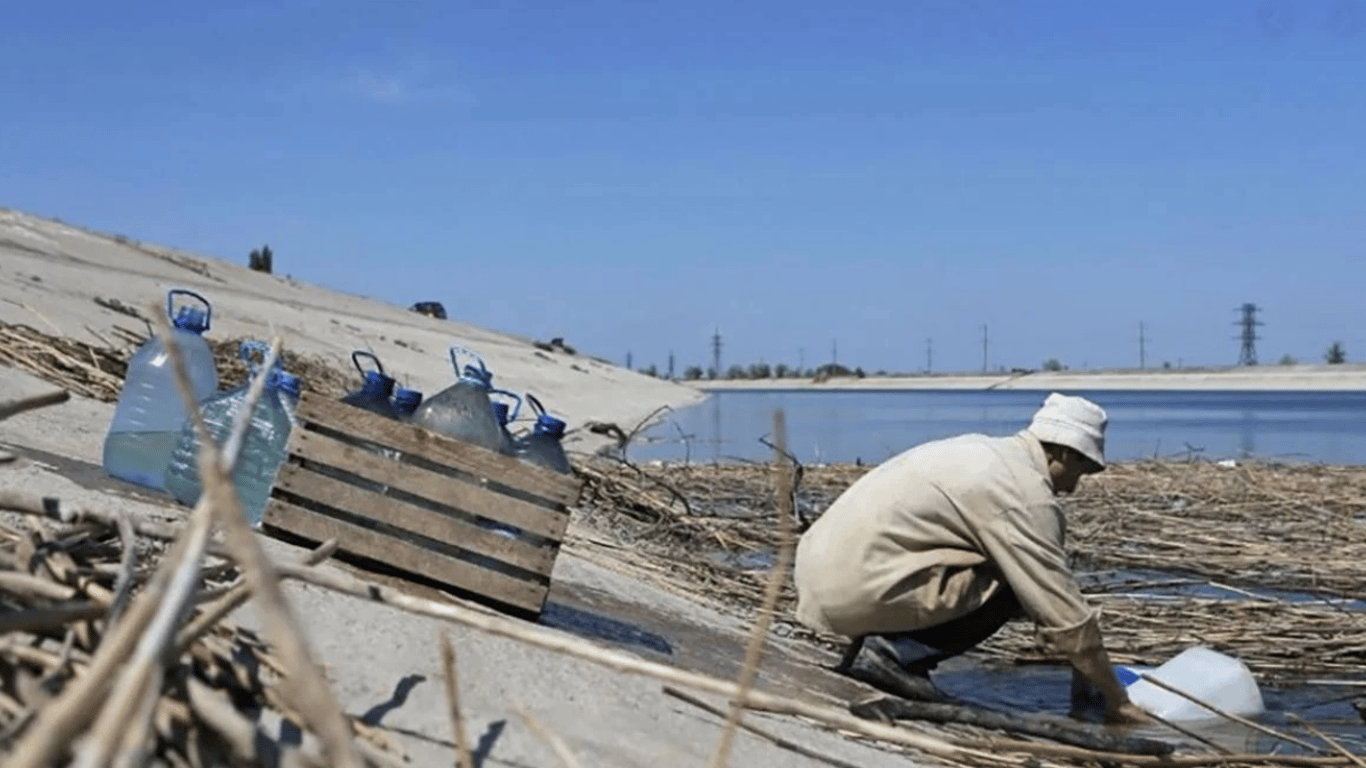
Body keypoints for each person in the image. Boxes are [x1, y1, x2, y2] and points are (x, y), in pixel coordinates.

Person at [792, 392, 1149, 725]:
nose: (1072, 488)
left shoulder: (985, 451)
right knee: (1012, 582)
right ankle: (895, 655)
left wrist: (1065, 645)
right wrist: (1116, 700)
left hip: (820, 577)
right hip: (857, 588)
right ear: (1065, 453)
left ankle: (887, 647)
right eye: (1079, 473)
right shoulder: (1024, 494)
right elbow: (1063, 610)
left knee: (1011, 572)